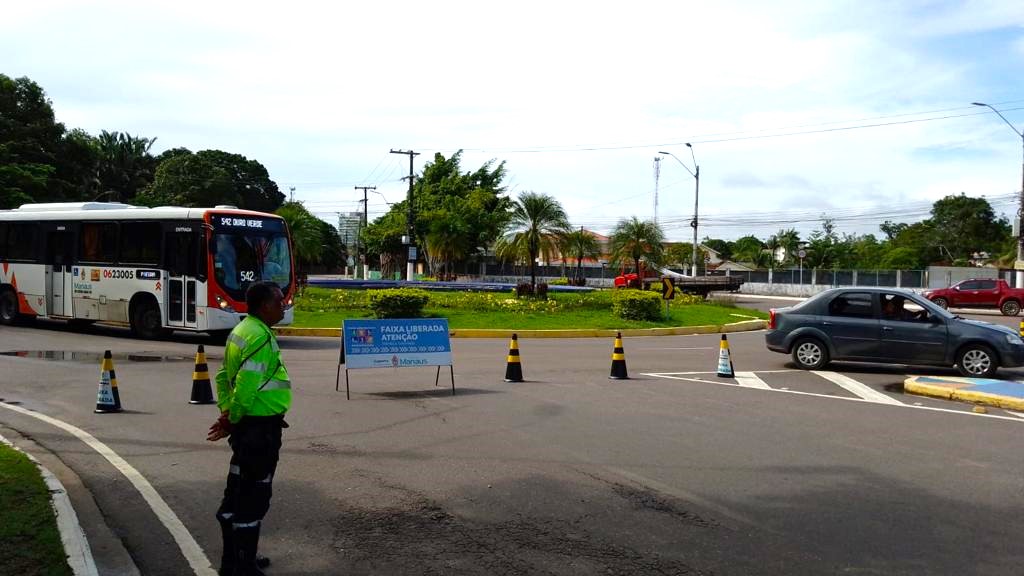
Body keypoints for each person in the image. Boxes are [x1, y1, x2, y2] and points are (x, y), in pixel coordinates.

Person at [208, 282, 291, 576]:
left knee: (237, 492)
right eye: (280, 301)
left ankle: (233, 561)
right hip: (258, 432)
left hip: (249, 428)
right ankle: (243, 567)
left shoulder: (242, 331)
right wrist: (232, 419)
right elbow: (245, 388)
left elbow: (221, 377)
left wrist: (227, 414)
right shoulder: (258, 337)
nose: (284, 305)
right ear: (265, 306)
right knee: (254, 497)